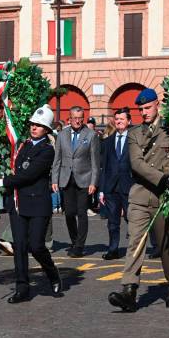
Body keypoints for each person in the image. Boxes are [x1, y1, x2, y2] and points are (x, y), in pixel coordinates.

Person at [108, 88, 169, 312]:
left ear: (157, 104)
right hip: (141, 194)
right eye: (140, 109)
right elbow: (137, 164)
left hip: (164, 198)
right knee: (135, 240)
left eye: (147, 107)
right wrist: (162, 178)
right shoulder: (135, 134)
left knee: (166, 242)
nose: (144, 112)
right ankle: (129, 290)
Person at [0, 105, 62, 303]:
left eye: (39, 125)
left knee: (37, 246)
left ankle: (52, 273)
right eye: (32, 124)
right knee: (20, 246)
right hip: (18, 202)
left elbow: (30, 174)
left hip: (38, 203)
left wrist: (5, 181)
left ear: (46, 130)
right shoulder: (21, 145)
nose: (34, 128)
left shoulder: (47, 150)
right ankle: (22, 287)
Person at [51, 106, 100, 257]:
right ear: (69, 118)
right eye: (75, 118)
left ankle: (79, 246)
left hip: (84, 179)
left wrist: (94, 182)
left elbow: (95, 162)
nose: (78, 121)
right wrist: (54, 179)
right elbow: (57, 159)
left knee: (81, 212)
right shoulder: (62, 135)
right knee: (69, 213)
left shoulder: (91, 135)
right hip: (66, 179)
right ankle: (74, 240)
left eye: (80, 118)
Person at [99, 107, 134, 260]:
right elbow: (104, 167)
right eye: (117, 119)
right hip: (111, 188)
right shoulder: (107, 142)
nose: (119, 121)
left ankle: (134, 250)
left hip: (129, 186)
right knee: (113, 222)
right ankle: (113, 249)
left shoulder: (134, 140)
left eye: (122, 119)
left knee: (131, 219)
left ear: (129, 121)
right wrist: (101, 190)